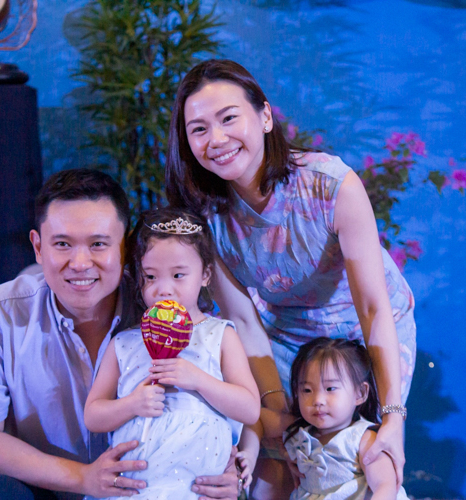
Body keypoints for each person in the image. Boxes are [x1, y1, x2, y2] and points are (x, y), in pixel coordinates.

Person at [165, 59, 416, 497]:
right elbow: (244, 321)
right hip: (285, 338)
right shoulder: (206, 218)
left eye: (229, 119)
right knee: (278, 468)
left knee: (362, 461)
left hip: (365, 336)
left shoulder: (330, 185)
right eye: (198, 129)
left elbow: (374, 307)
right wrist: (273, 405)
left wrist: (393, 416)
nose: (217, 140)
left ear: (264, 116)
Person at [0, 169, 242, 499]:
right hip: (39, 487)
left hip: (145, 486)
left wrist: (233, 470)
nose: (81, 263)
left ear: (127, 249)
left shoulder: (167, 310)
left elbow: (238, 398)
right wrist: (81, 478)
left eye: (98, 244)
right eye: (62, 244)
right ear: (38, 247)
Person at [85, 208, 259, 498]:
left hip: (197, 489)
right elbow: (93, 415)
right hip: (135, 489)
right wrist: (130, 404)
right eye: (151, 276)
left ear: (205, 275)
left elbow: (250, 409)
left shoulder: (220, 335)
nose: (163, 289)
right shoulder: (124, 343)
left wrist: (199, 380)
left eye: (178, 275)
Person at [241, 338, 409, 500]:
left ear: (360, 393)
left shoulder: (364, 439)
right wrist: (250, 453)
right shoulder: (298, 429)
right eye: (307, 390)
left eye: (330, 388)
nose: (318, 400)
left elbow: (385, 487)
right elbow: (254, 416)